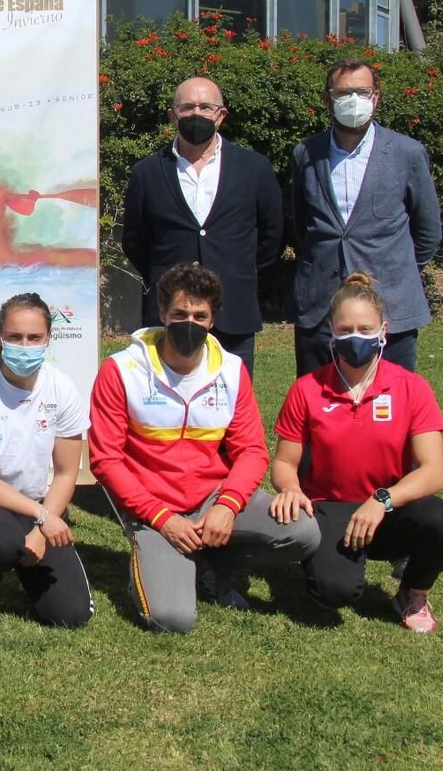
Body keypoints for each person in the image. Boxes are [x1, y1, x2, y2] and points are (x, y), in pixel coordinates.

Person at [88, 262, 319, 634]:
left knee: (303, 532)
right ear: (162, 313)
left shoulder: (230, 370)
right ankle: (155, 561)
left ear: (213, 320)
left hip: (213, 496)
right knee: (171, 619)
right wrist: (162, 519)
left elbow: (252, 451)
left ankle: (211, 568)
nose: (189, 323)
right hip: (153, 508)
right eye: (179, 313)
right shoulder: (120, 370)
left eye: (200, 315)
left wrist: (227, 506)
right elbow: (105, 460)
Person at [271, 272, 443, 633]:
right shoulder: (308, 389)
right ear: (331, 330)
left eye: (365, 329)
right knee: (333, 592)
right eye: (345, 330)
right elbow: (284, 463)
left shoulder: (411, 387)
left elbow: (433, 471)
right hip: (331, 508)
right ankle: (326, 557)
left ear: (383, 330)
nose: (354, 338)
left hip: (389, 508)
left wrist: (382, 500)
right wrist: (291, 489)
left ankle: (413, 590)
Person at [0, 293, 93, 628]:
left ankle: (22, 563)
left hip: (35, 506)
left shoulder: (63, 389)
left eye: (34, 338)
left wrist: (41, 526)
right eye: (14, 337)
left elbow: (67, 473)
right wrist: (42, 517)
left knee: (71, 614)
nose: (24, 346)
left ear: (48, 340)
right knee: (1, 542)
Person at [120, 77, 283, 373]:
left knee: (232, 403)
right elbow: (134, 239)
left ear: (221, 115)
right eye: (187, 107)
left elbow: (271, 236)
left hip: (233, 310)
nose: (197, 114)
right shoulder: (147, 172)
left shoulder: (254, 168)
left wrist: (237, 271)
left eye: (206, 107)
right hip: (169, 313)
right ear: (173, 116)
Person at [290, 59, 441, 375]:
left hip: (389, 306)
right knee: (318, 402)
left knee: (389, 407)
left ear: (376, 98)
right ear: (327, 99)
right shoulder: (306, 153)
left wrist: (396, 269)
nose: (354, 101)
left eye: (362, 91)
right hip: (320, 307)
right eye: (344, 93)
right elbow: (304, 225)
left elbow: (427, 230)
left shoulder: (406, 153)